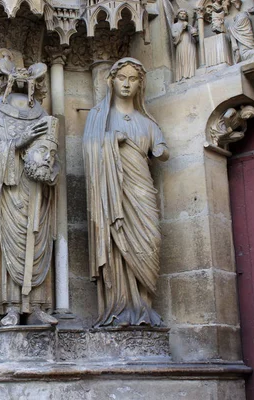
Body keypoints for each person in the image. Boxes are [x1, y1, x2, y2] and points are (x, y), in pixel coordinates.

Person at [83, 58, 169, 327]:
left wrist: (161, 150)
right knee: (118, 244)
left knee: (150, 240)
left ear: (140, 85)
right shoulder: (99, 117)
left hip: (142, 191)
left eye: (133, 79)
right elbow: (88, 149)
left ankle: (143, 306)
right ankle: (119, 307)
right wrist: (110, 140)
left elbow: (162, 149)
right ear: (112, 80)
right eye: (122, 78)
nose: (127, 84)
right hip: (114, 196)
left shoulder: (147, 122)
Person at [0, 49, 59, 326]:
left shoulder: (41, 114)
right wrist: (18, 142)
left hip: (36, 189)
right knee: (7, 245)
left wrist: (48, 164)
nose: (23, 79)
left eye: (27, 75)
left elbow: (51, 150)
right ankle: (10, 305)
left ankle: (37, 305)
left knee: (37, 239)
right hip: (7, 190)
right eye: (15, 75)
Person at [171, 9, 198, 81]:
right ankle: (182, 76)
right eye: (181, 13)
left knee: (190, 56)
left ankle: (192, 74)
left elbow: (195, 38)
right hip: (181, 43)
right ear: (177, 15)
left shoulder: (189, 26)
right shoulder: (175, 25)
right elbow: (174, 36)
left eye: (184, 14)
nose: (183, 15)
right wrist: (182, 28)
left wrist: (194, 33)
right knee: (183, 58)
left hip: (190, 43)